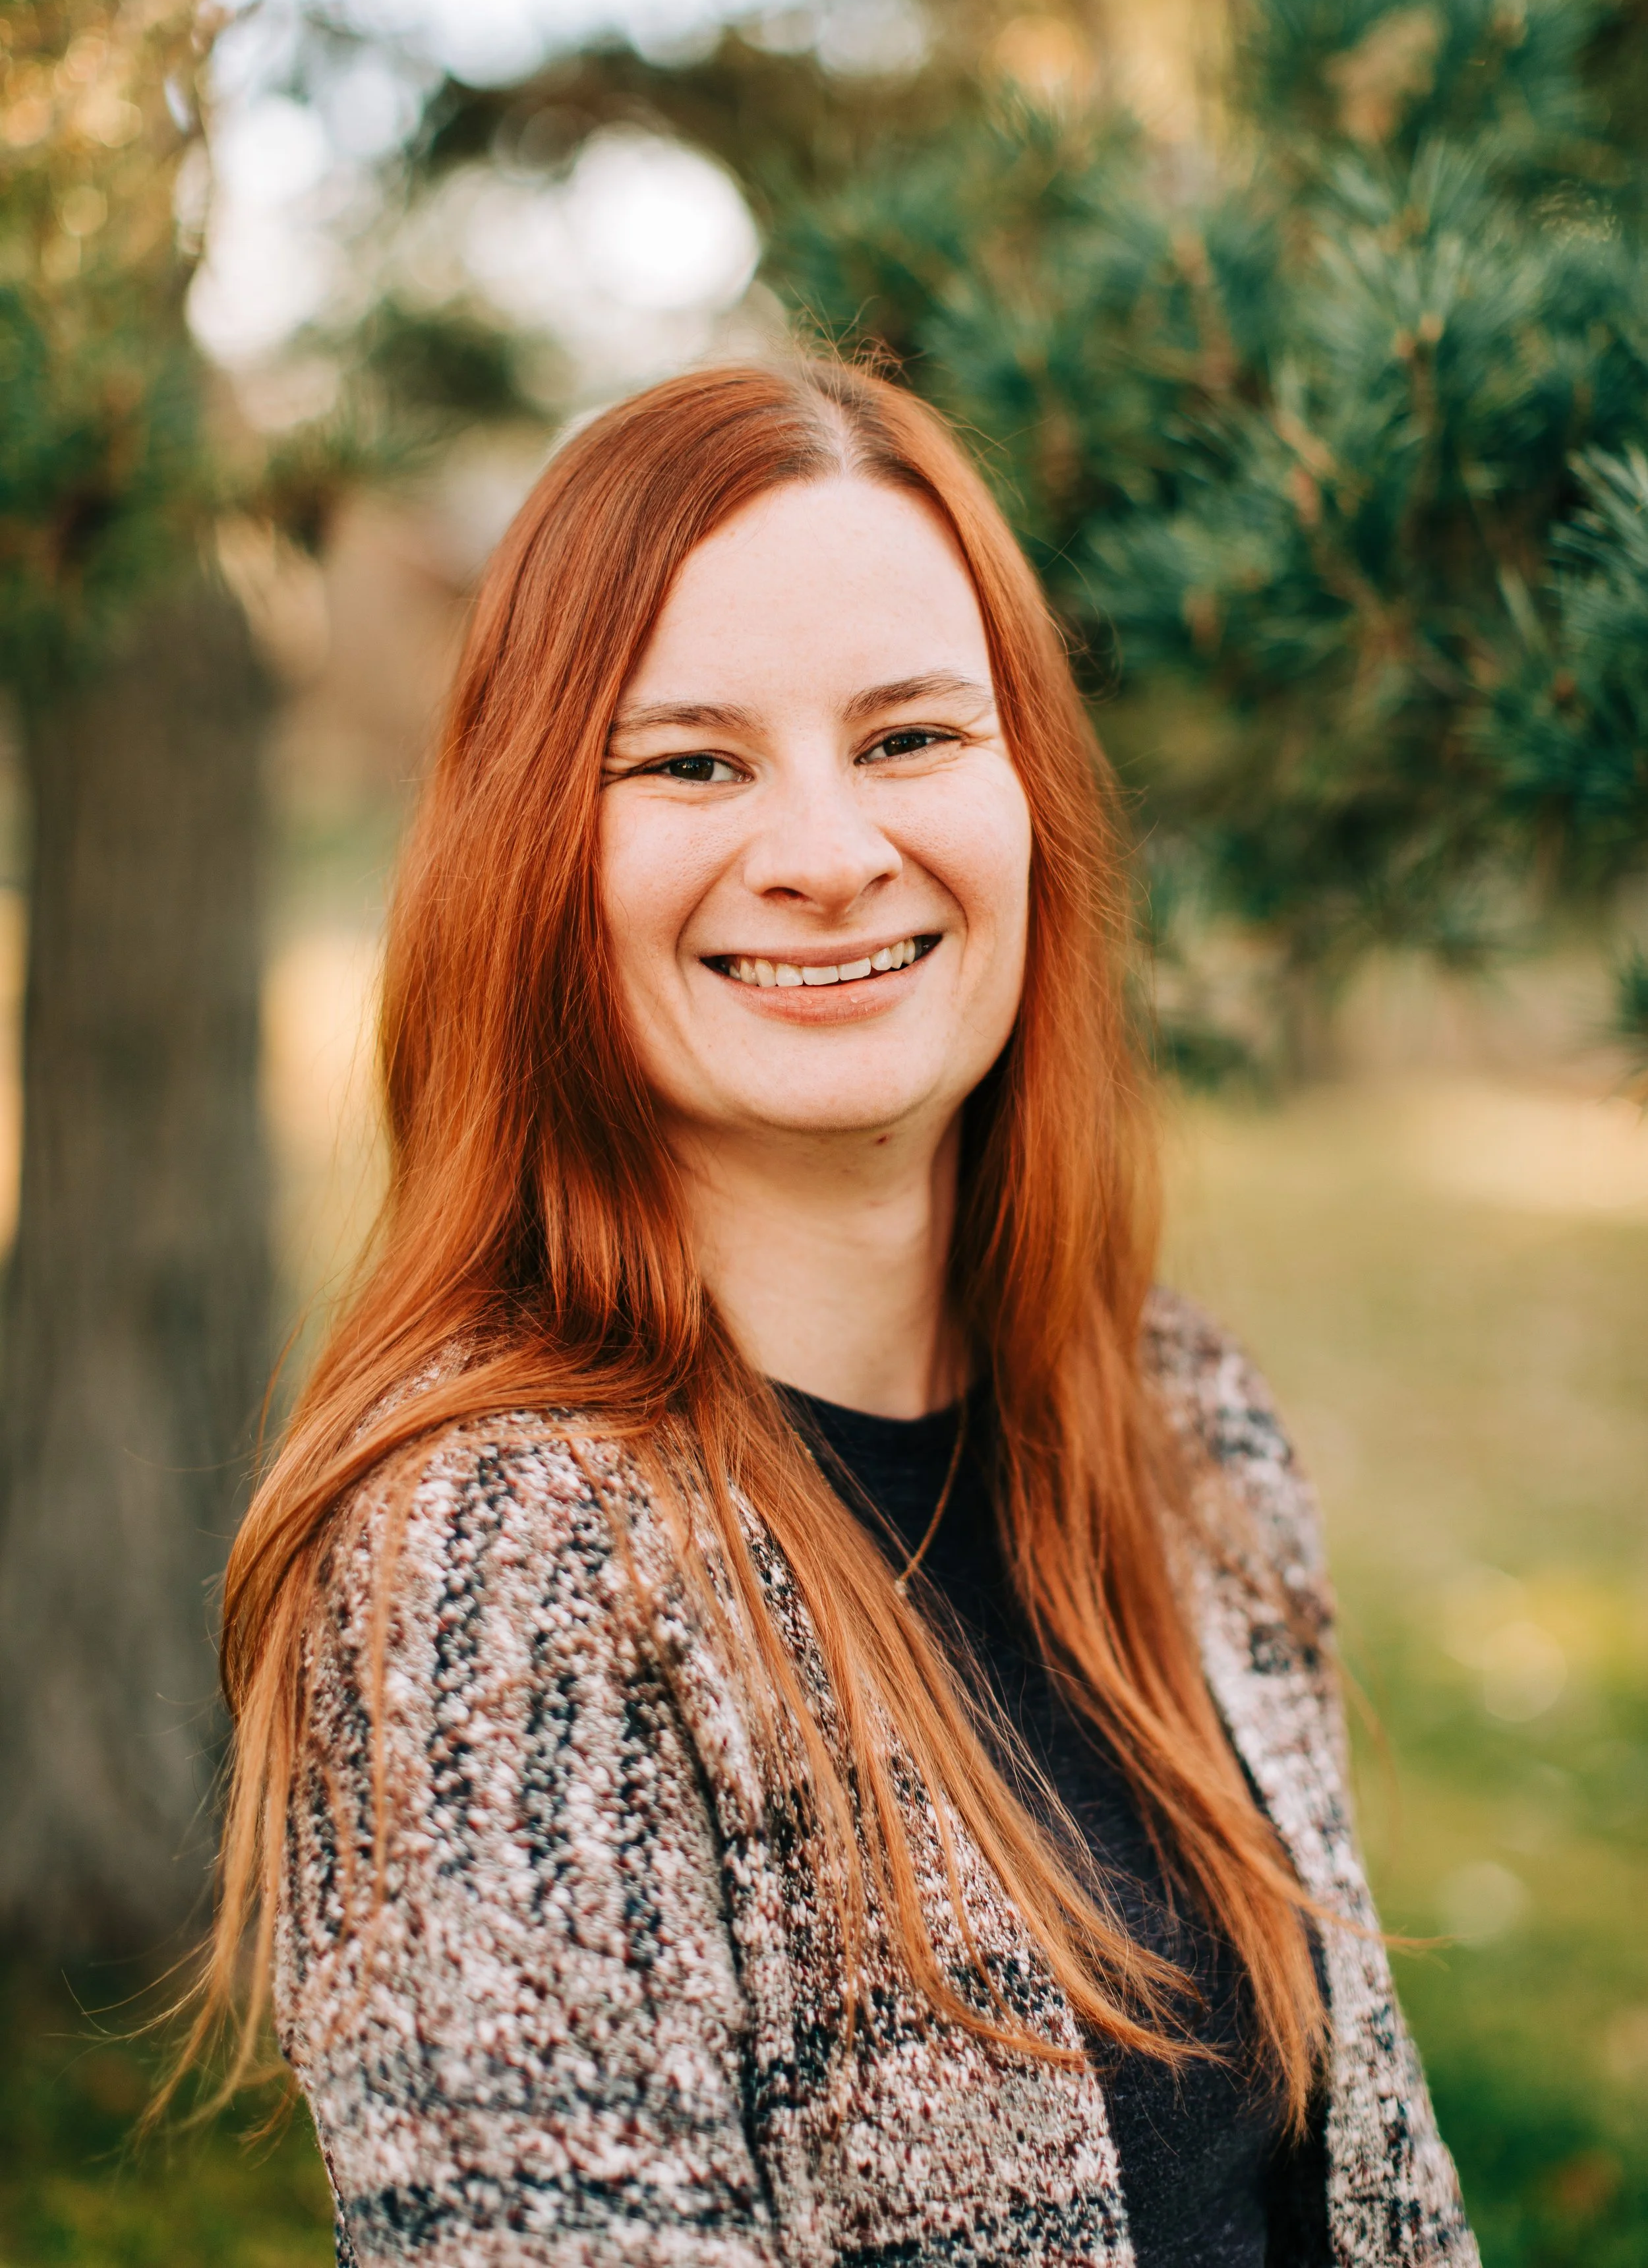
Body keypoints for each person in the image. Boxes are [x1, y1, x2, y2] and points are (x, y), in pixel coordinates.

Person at [206, 359, 1477, 2267]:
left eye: (904, 738)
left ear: (1027, 793)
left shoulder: (1180, 1423)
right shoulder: (487, 1559)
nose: (822, 851)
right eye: (693, 760)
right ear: (540, 852)